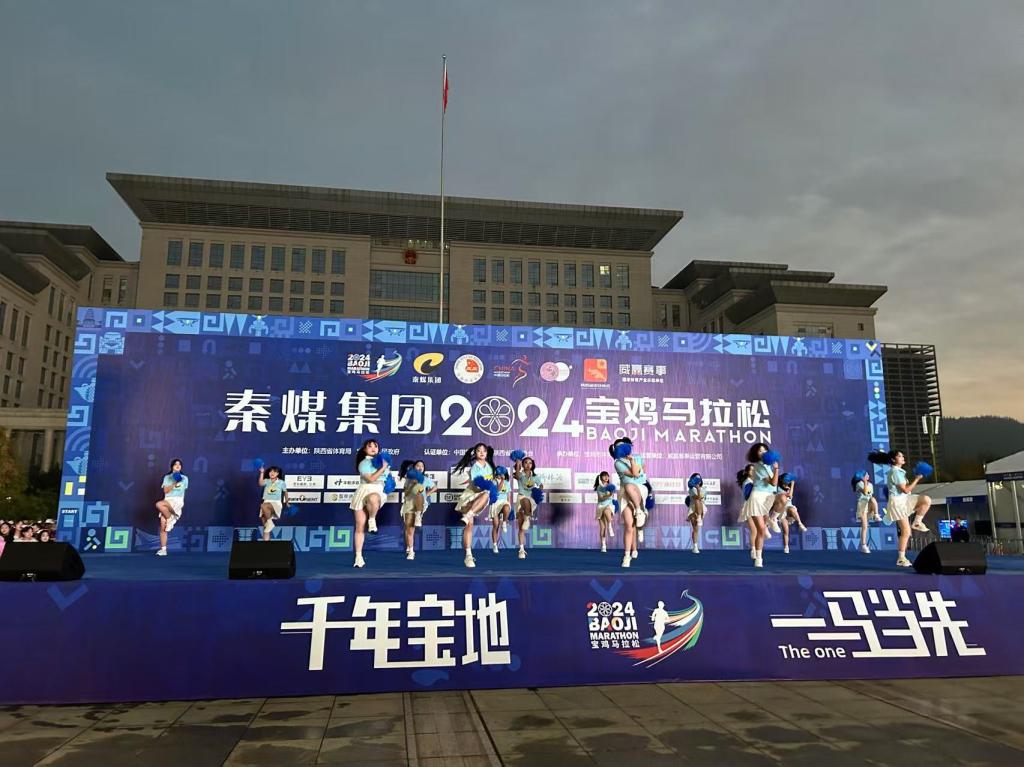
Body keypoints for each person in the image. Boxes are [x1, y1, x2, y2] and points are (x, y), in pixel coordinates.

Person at [871, 449, 932, 568]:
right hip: (898, 503)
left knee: (926, 499)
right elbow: (906, 490)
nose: (903, 458)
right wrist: (917, 479)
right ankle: (901, 558)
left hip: (904, 499)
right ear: (893, 459)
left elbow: (905, 491)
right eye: (900, 456)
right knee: (906, 532)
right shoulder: (895, 472)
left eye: (902, 456)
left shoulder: (898, 472)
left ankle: (917, 522)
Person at [453, 443, 497, 568]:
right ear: (475, 453)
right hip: (469, 497)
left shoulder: (489, 467)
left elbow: (490, 485)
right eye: (479, 450)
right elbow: (476, 487)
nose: (482, 452)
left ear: (487, 453)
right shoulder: (474, 468)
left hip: (481, 498)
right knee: (469, 525)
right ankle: (468, 556)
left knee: (486, 494)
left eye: (484, 450)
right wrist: (485, 488)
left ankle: (468, 516)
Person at [350, 439, 391, 568]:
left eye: (375, 446)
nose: (373, 448)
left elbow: (388, 480)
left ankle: (372, 519)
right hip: (363, 491)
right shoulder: (363, 463)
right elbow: (371, 479)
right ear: (364, 449)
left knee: (373, 498)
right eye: (370, 446)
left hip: (377, 490)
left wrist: (389, 480)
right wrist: (383, 468)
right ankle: (358, 557)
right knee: (359, 526)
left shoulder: (384, 462)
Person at [740, 443, 778, 569]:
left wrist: (774, 469)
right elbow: (773, 482)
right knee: (760, 530)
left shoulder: (768, 466)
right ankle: (758, 558)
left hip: (768, 497)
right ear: (756, 454)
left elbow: (774, 485)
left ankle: (772, 518)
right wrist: (777, 469)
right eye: (760, 451)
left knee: (782, 498)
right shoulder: (757, 467)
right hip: (757, 498)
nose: (763, 453)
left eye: (765, 450)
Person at [611, 437, 647, 568]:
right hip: (624, 493)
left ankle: (639, 511)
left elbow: (637, 474)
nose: (622, 448)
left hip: (639, 489)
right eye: (618, 447)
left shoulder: (638, 457)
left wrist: (632, 460)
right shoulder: (617, 463)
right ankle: (627, 556)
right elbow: (633, 474)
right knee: (629, 525)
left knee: (630, 486)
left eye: (623, 445)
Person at [399, 459, 437, 560]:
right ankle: (410, 550)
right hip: (408, 504)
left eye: (422, 466)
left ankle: (418, 516)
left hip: (420, 504)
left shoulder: (425, 479)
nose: (420, 468)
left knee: (419, 494)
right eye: (418, 466)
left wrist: (426, 494)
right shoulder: (408, 479)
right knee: (409, 528)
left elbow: (434, 487)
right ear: (414, 468)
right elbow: (406, 493)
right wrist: (413, 484)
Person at [512, 454, 544, 560]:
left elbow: (541, 485)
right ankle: (521, 549)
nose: (528, 464)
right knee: (521, 527)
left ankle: (527, 518)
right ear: (523, 464)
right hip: (521, 498)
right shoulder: (520, 474)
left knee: (523, 525)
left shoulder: (535, 477)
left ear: (532, 465)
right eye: (525, 462)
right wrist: (517, 464)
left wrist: (539, 490)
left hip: (531, 499)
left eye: (530, 463)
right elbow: (517, 476)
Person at [155, 458, 188, 557]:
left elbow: (183, 491)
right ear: (172, 466)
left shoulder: (185, 478)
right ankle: (163, 550)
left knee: (159, 505)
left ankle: (171, 517)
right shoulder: (167, 477)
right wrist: (174, 483)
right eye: (175, 464)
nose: (178, 466)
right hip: (168, 500)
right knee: (163, 526)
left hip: (177, 501)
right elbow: (166, 491)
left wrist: (179, 480)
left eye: (179, 464)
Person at [776, 473, 807, 554]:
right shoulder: (778, 489)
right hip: (781, 511)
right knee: (786, 530)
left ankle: (800, 524)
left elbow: (790, 496)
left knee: (792, 509)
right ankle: (786, 547)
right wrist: (793, 484)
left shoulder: (788, 487)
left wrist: (791, 485)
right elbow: (790, 495)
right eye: (788, 481)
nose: (789, 482)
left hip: (788, 508)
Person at [257, 465, 288, 541]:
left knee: (263, 506)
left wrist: (287, 502)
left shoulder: (281, 482)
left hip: (276, 503)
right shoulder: (267, 481)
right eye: (270, 471)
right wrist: (262, 473)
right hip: (266, 501)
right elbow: (260, 483)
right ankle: (266, 544)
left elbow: (285, 492)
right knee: (266, 527)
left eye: (274, 472)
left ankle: (270, 522)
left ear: (277, 473)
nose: (272, 473)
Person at [852, 470, 879, 554]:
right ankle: (863, 545)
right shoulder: (859, 484)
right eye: (866, 474)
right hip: (862, 505)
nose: (868, 475)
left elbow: (869, 495)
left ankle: (876, 515)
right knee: (864, 526)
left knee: (873, 499)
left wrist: (866, 483)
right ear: (862, 477)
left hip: (869, 504)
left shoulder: (870, 485)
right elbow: (865, 492)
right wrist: (865, 482)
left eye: (868, 474)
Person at [489, 466, 512, 554]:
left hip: (503, 502)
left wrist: (510, 506)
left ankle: (504, 522)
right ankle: (495, 545)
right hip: (495, 503)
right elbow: (497, 491)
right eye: (499, 473)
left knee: (507, 507)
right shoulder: (493, 482)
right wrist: (501, 481)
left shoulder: (507, 483)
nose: (500, 475)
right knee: (496, 525)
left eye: (502, 474)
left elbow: (508, 496)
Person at [593, 471, 616, 553]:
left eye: (607, 476)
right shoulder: (599, 487)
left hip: (609, 505)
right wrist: (609, 494)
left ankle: (610, 526)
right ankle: (603, 545)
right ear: (601, 477)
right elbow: (601, 498)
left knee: (607, 510)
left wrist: (611, 494)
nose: (606, 477)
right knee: (602, 527)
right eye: (604, 476)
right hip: (601, 506)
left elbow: (612, 497)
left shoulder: (611, 486)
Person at [686, 473, 705, 554]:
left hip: (701, 507)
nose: (698, 481)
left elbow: (700, 498)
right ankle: (695, 547)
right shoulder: (691, 489)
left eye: (699, 479)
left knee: (698, 501)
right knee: (695, 529)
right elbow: (695, 497)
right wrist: (696, 488)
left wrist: (698, 489)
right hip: (692, 509)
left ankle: (699, 516)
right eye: (695, 479)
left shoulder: (704, 489)